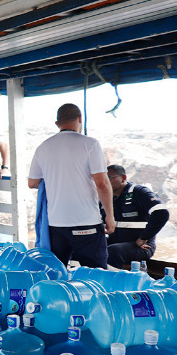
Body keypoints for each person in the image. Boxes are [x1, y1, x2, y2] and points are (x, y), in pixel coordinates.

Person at [28, 103, 115, 268]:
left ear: (57, 123)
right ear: (80, 119)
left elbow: (32, 182)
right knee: (95, 276)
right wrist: (110, 216)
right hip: (86, 223)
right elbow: (102, 184)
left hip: (56, 225)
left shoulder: (43, 147)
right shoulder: (90, 144)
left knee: (57, 274)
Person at [105, 164, 169, 269]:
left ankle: (111, 283)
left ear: (123, 178)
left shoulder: (139, 192)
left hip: (140, 246)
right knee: (87, 246)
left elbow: (162, 213)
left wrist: (144, 238)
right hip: (115, 242)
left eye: (110, 177)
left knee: (114, 251)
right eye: (104, 178)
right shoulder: (107, 198)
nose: (106, 181)